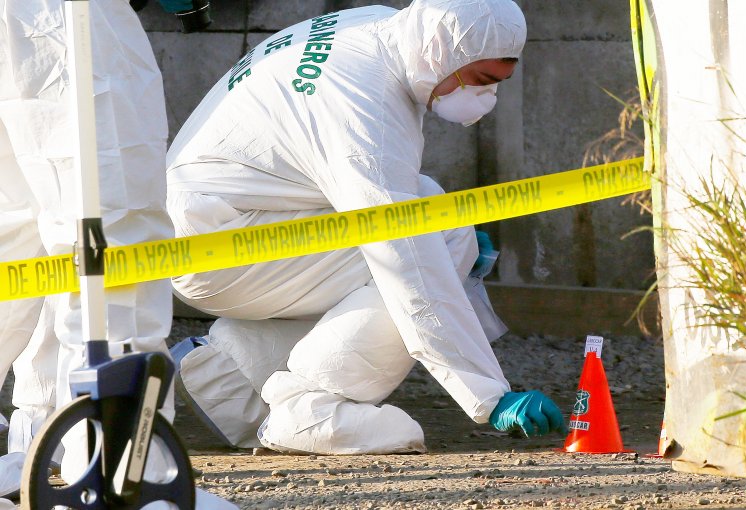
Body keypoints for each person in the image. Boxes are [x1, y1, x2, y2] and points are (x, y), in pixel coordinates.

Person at [167, 0, 566, 455]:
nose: (487, 99)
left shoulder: (378, 29)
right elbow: (407, 264)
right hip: (225, 251)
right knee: (438, 241)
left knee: (432, 213)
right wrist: (489, 394)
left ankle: (230, 378)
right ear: (441, 53)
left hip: (218, 228)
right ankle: (311, 408)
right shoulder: (366, 105)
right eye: (482, 81)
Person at [0, 0, 235, 506]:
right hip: (72, 19)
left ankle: (40, 434)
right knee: (117, 240)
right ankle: (132, 478)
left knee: (15, 245)